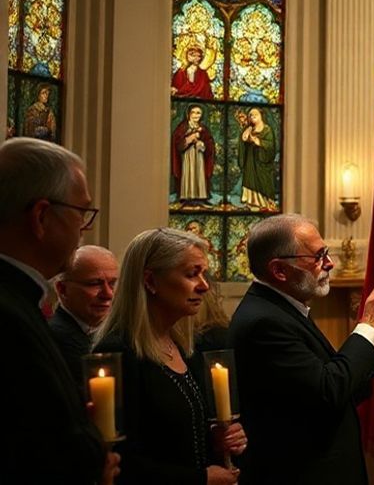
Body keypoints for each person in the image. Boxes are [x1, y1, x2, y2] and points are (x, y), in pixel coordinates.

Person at [227, 214, 374, 484]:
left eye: (326, 252)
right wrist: (371, 325)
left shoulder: (283, 308)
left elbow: (340, 390)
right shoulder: (264, 322)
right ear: (279, 270)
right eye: (318, 257)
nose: (330, 263)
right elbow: (328, 391)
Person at [0, 138, 118, 484]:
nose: (84, 229)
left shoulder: (20, 300)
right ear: (41, 216)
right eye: (81, 213)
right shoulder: (9, 317)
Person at [93, 228, 245, 484]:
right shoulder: (118, 352)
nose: (204, 286)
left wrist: (218, 439)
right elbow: (121, 460)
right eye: (191, 274)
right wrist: (201, 479)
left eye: (204, 274)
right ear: (150, 281)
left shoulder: (184, 345)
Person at [51, 245, 119, 388]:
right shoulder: (57, 339)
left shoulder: (117, 331)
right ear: (62, 289)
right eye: (94, 284)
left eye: (113, 283)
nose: (108, 294)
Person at [171, 105, 216, 205]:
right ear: (188, 114)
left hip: (199, 156)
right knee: (188, 173)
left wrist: (203, 145)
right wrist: (190, 138)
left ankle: (201, 196)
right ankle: (186, 196)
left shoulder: (204, 129)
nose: (196, 115)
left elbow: (209, 145)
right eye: (193, 112)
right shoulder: (182, 127)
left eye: (198, 113)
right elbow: (177, 143)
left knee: (199, 173)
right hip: (186, 156)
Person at [238, 107, 277, 210]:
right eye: (250, 115)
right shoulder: (249, 128)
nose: (253, 116)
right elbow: (243, 140)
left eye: (255, 114)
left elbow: (270, 146)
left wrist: (258, 142)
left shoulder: (267, 130)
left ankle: (265, 202)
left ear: (261, 116)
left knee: (263, 180)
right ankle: (251, 202)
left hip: (262, 161)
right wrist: (246, 137)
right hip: (250, 160)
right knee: (250, 179)